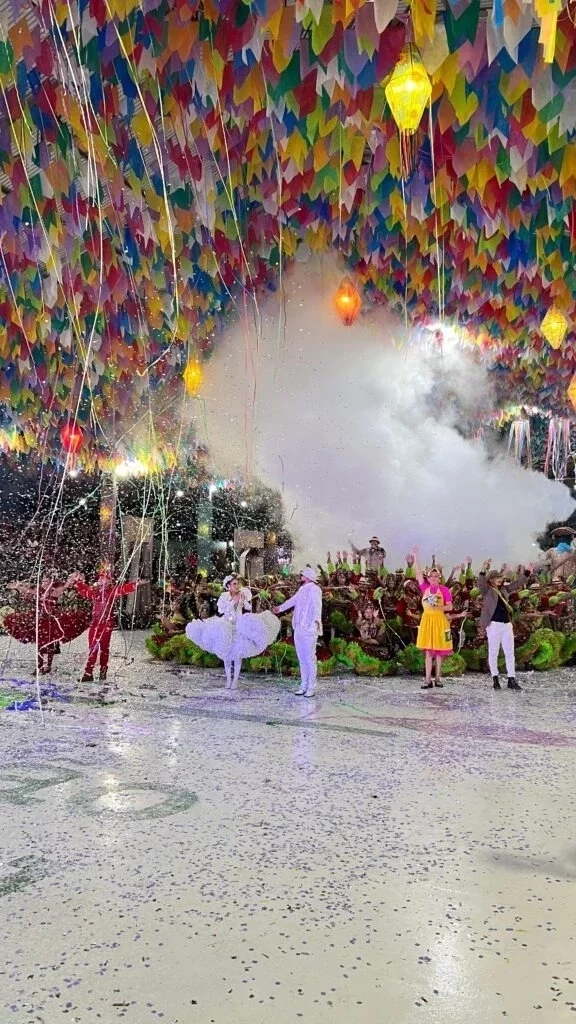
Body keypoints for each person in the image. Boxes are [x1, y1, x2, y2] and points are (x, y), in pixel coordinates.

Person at [186, 575, 280, 689]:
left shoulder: (241, 594)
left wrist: (243, 600)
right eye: (234, 584)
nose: (237, 586)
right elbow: (221, 610)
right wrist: (232, 602)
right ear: (228, 586)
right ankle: (228, 679)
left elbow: (248, 607)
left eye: (237, 583)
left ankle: (235, 680)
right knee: (226, 655)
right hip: (226, 626)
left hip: (239, 625)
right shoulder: (224, 596)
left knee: (237, 654)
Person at [75, 566, 140, 683]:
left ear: (109, 581)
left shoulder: (111, 591)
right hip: (95, 624)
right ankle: (88, 672)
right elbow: (84, 591)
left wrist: (135, 584)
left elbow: (123, 589)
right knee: (93, 649)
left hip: (106, 625)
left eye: (103, 578)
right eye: (100, 578)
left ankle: (103, 670)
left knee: (104, 649)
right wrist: (78, 581)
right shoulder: (95, 592)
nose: (100, 579)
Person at [274, 566, 323, 698]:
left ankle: (311, 686)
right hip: (299, 627)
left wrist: (316, 621)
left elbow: (317, 606)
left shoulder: (314, 589)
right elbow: (292, 601)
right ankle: (303, 685)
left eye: (303, 574)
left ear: (308, 576)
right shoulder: (302, 589)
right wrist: (280, 608)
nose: (300, 576)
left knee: (310, 658)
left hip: (309, 628)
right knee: (302, 658)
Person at [478, 563, 524, 691]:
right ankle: (495, 678)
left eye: (501, 577)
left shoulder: (504, 589)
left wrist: (527, 573)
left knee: (510, 653)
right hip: (494, 625)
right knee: (493, 653)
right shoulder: (487, 590)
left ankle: (511, 678)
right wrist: (483, 570)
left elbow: (517, 583)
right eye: (497, 577)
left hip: (506, 625)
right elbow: (481, 583)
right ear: (491, 579)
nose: (500, 579)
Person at [413, 549, 453, 689]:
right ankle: (427, 680)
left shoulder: (445, 590)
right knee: (429, 652)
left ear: (439, 578)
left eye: (436, 576)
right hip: (427, 622)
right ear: (428, 578)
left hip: (440, 622)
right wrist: (416, 557)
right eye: (431, 576)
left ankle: (438, 678)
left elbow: (449, 607)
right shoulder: (425, 588)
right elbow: (418, 573)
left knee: (439, 652)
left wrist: (438, 608)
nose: (434, 578)